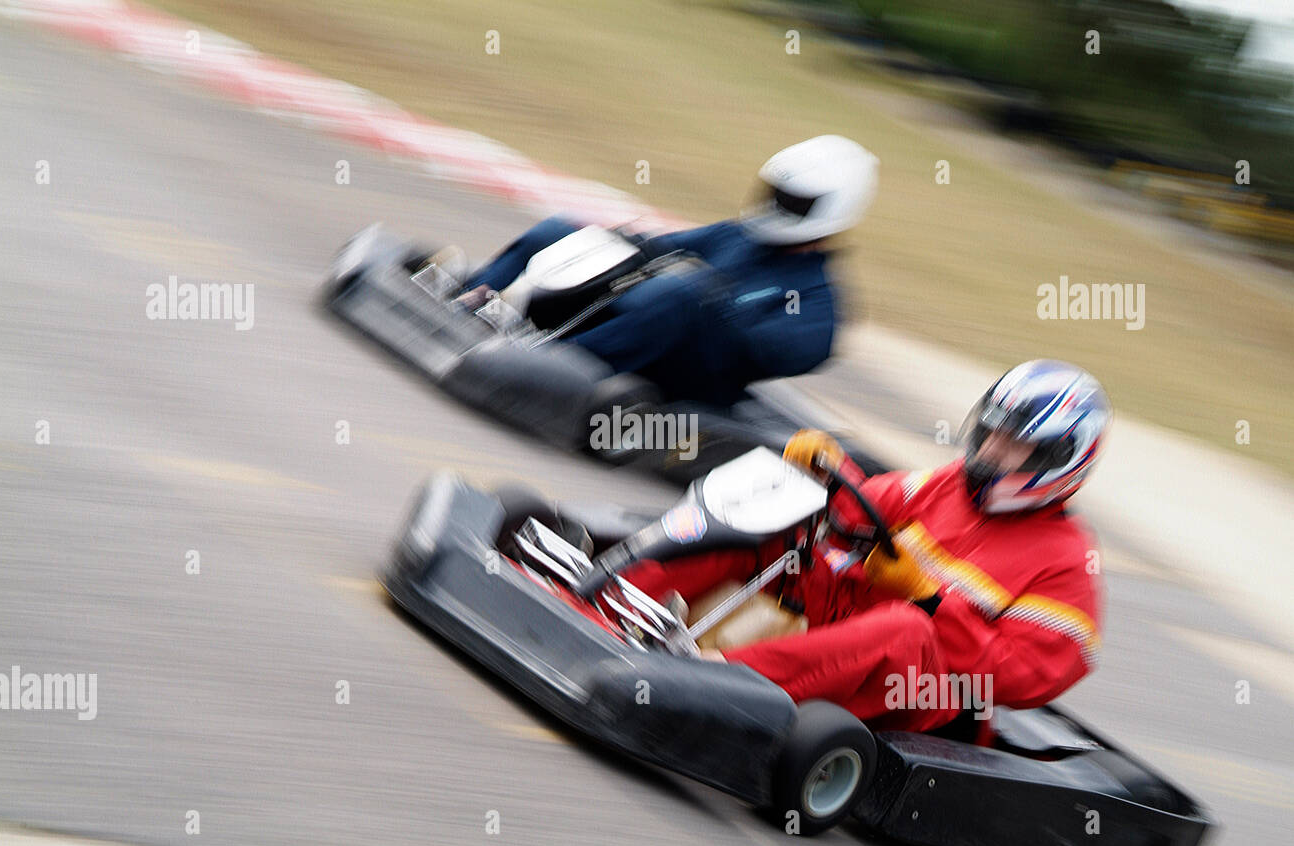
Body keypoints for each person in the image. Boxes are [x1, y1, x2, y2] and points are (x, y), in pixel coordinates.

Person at [627, 359, 1111, 731]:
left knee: (905, 627)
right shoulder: (946, 485)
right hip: (849, 620)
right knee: (777, 533)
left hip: (925, 689)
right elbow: (859, 513)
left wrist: (929, 599)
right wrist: (826, 472)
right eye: (991, 434)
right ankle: (614, 600)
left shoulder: (1068, 564)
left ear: (1058, 458)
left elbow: (1016, 676)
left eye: (1013, 445)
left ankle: (710, 678)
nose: (990, 453)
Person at [456, 135, 880, 407]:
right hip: (645, 325)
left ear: (831, 211)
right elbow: (660, 247)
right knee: (565, 230)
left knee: (683, 295)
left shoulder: (819, 301)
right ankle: (469, 298)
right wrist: (622, 241)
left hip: (689, 379)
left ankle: (552, 361)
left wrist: (717, 305)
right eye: (777, 194)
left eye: (791, 201)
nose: (776, 206)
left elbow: (777, 351)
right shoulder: (738, 237)